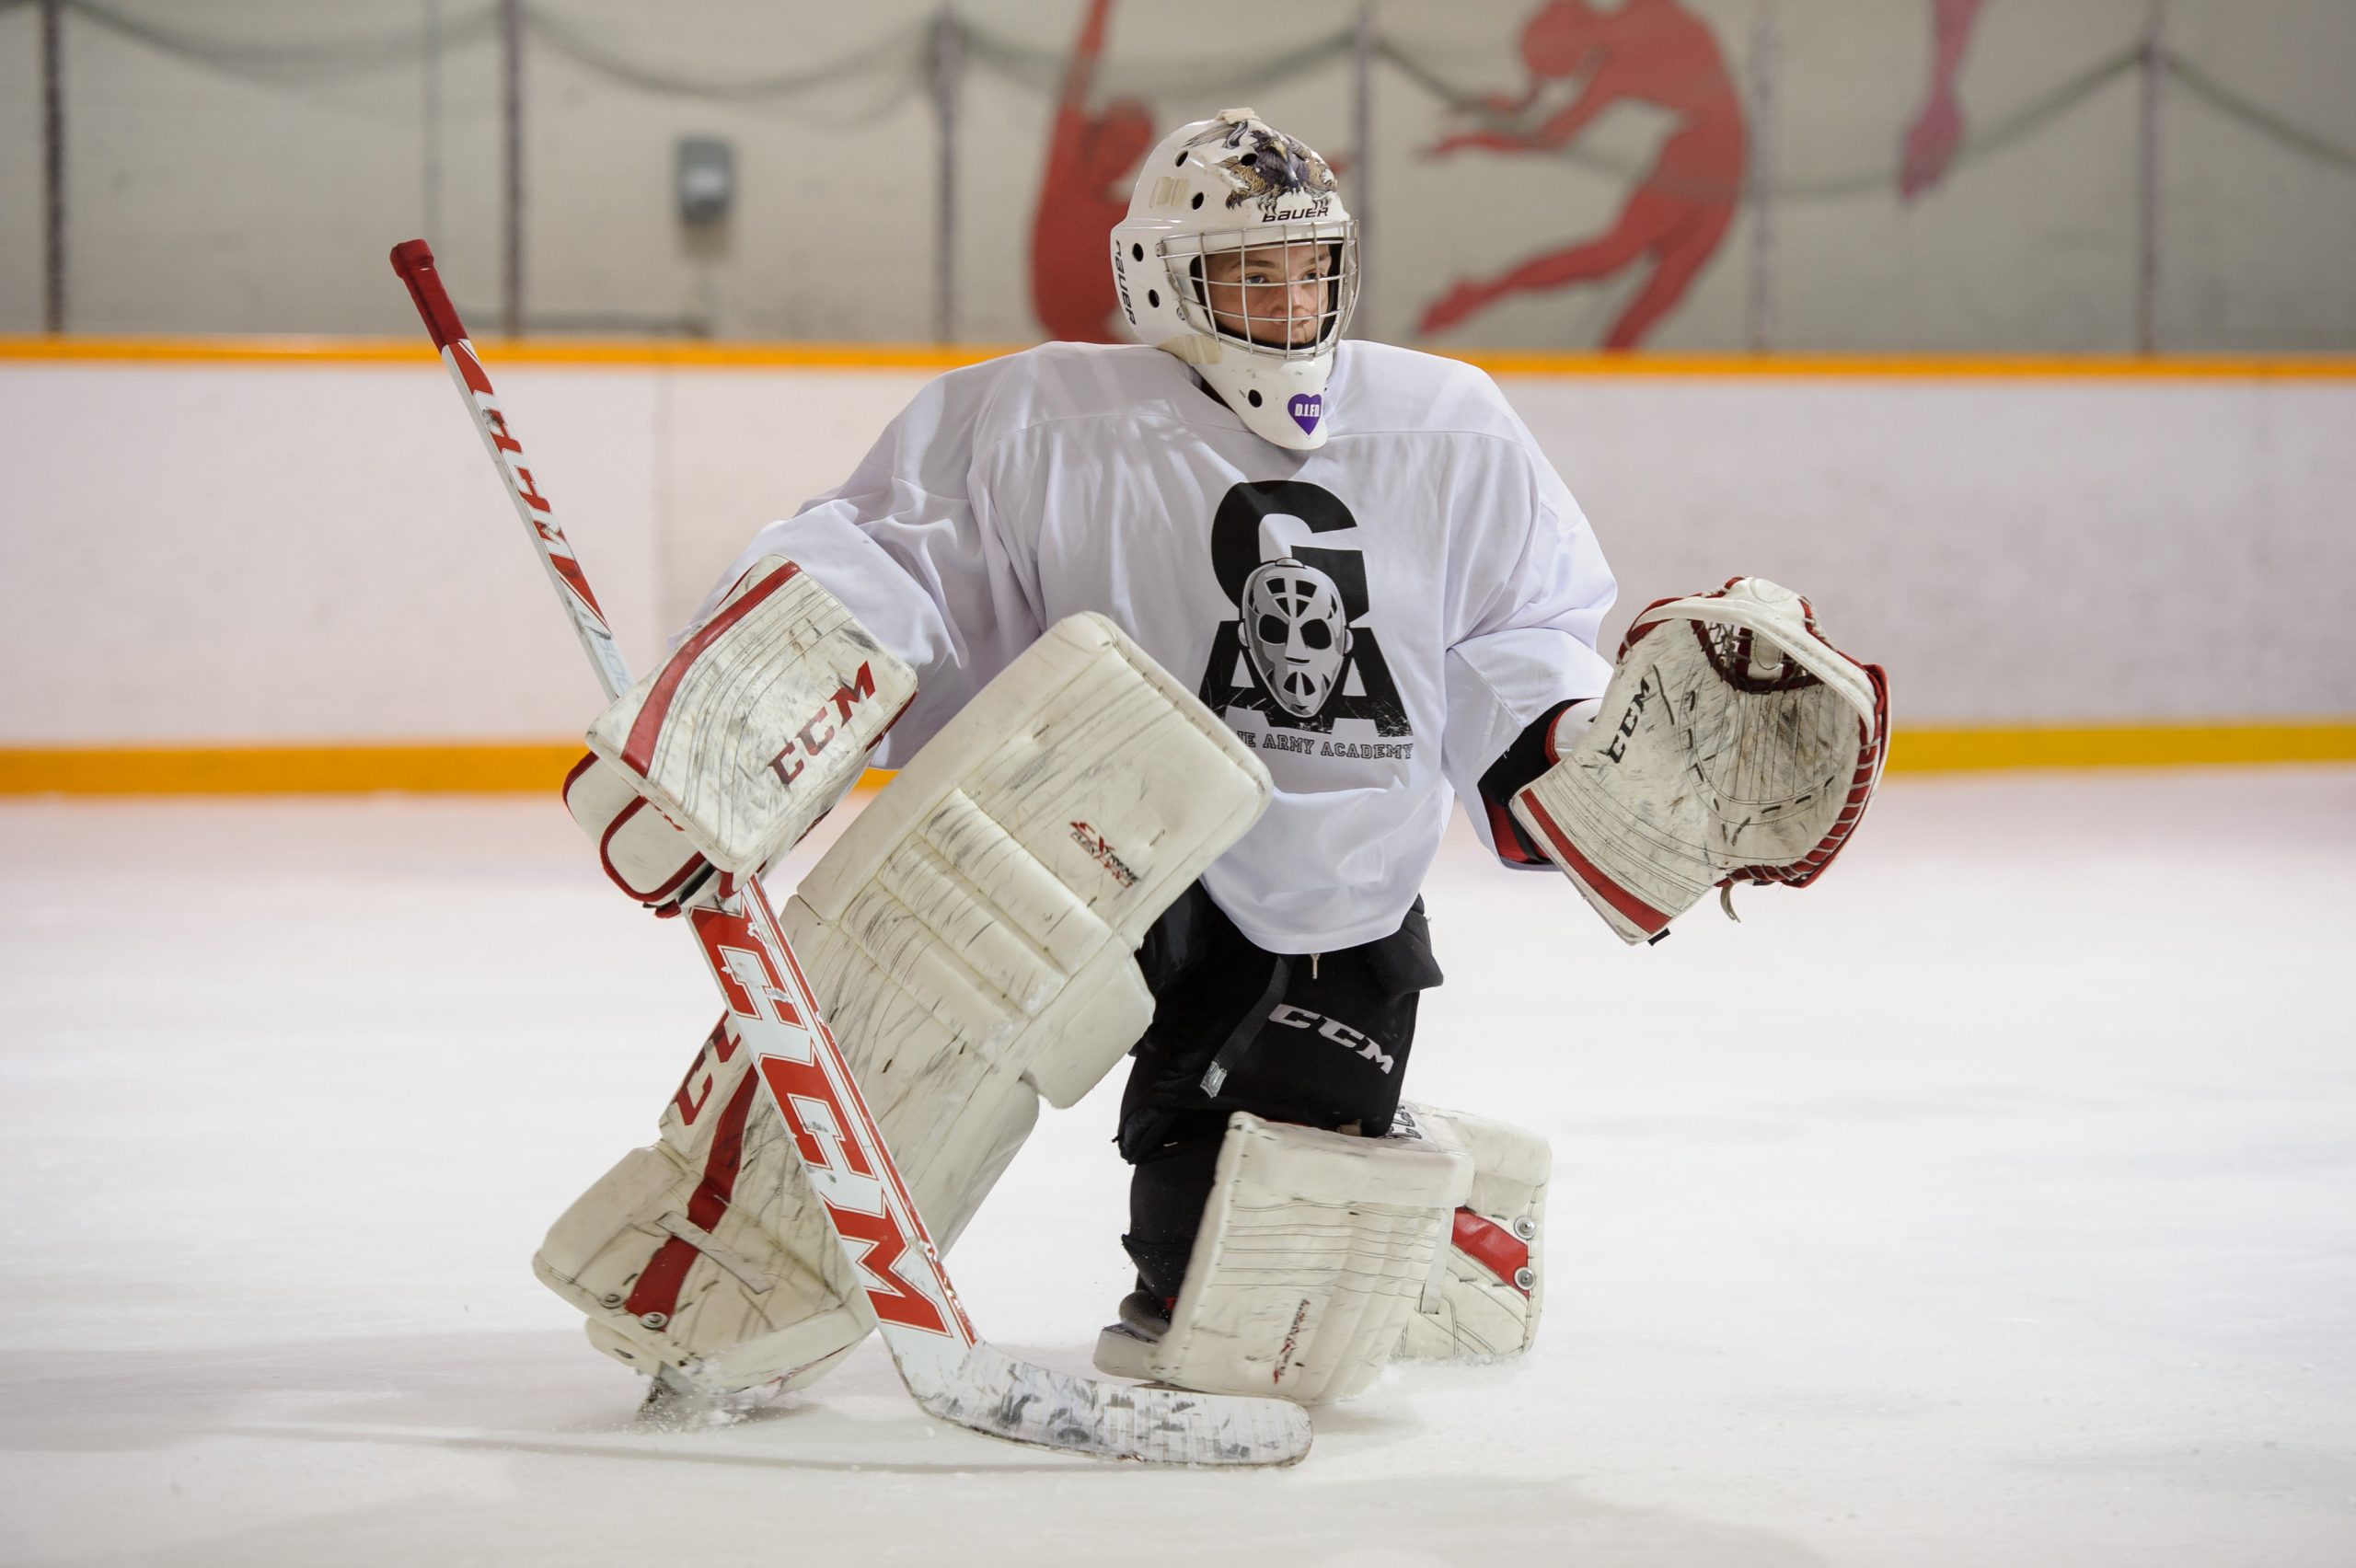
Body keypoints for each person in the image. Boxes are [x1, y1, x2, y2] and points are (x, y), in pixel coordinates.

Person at [694, 108, 1617, 1348]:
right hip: (1096, 847)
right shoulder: (1043, 418)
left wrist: (1563, 747)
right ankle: (738, 1265)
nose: (1292, 301)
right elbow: (888, 557)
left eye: (1311, 267)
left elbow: (1522, 623)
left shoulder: (1448, 423)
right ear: (1159, 279)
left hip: (1339, 873)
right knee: (911, 1053)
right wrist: (737, 719)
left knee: (1243, 1253)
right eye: (1251, 270)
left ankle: (1390, 1237)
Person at [1416, 0, 1745, 351]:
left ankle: (1484, 295)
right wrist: (1487, 129)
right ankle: (1486, 295)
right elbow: (1550, 136)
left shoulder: (1622, 56)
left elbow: (1550, 139)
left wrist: (1477, 136)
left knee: (1660, 282)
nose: (1577, 72)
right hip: (1714, 154)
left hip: (1717, 155)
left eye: (1562, 63)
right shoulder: (1624, 51)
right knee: (1636, 271)